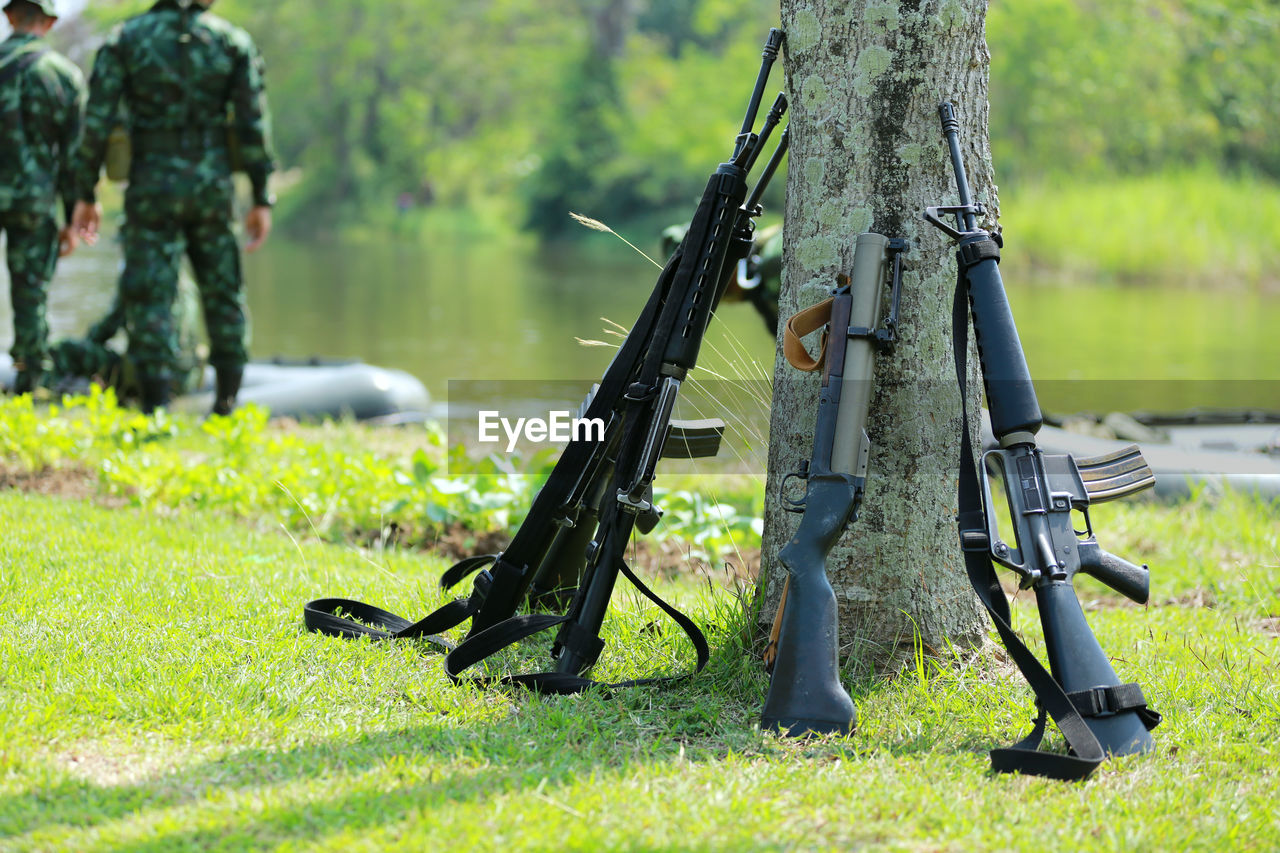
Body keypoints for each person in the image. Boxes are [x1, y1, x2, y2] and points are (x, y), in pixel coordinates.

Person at [71, 0, 275, 414]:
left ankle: (155, 408)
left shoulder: (126, 39)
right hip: (212, 187)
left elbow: (98, 120)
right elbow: (252, 122)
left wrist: (85, 192)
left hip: (152, 187)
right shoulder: (232, 43)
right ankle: (226, 406)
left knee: (150, 295)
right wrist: (260, 195)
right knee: (223, 291)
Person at [0, 0, 85, 394]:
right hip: (33, 202)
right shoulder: (62, 76)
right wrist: (71, 219)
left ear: (9, 16)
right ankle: (30, 382)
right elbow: (74, 158)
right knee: (30, 293)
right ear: (49, 22)